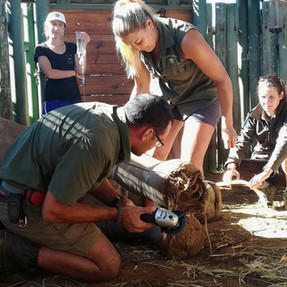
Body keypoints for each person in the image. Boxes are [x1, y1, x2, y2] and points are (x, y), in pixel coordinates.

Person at [0, 93, 174, 282]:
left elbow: (88, 175)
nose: (156, 145)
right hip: (22, 209)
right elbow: (53, 211)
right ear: (148, 133)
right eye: (159, 140)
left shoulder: (106, 117)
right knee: (108, 266)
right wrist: (119, 215)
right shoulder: (96, 141)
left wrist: (119, 202)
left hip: (18, 192)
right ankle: (12, 249)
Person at [111, 0, 238, 175]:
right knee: (152, 157)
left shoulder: (186, 38)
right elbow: (141, 88)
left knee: (190, 165)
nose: (137, 48)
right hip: (168, 99)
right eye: (132, 45)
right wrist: (126, 126)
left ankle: (195, 202)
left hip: (201, 98)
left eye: (139, 42)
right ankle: (151, 204)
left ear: (149, 23)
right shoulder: (134, 48)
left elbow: (223, 79)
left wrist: (227, 123)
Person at [223, 75, 287, 189]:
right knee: (236, 167)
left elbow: (284, 141)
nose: (267, 102)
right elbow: (242, 141)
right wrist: (230, 167)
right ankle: (266, 187)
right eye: (263, 97)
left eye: (271, 97)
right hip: (262, 165)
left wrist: (268, 170)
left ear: (281, 95)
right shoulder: (254, 115)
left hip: (280, 166)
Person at [34, 11, 90, 115]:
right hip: (53, 99)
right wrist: (73, 73)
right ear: (46, 26)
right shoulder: (41, 48)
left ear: (64, 28)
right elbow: (50, 73)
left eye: (60, 25)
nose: (56, 28)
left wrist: (83, 46)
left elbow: (81, 70)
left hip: (73, 98)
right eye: (53, 24)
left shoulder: (72, 47)